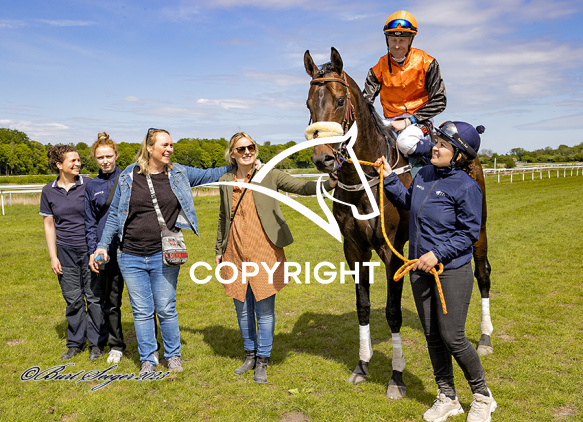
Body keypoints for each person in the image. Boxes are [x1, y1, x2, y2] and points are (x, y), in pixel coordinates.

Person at [375, 122, 496, 422]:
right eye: (436, 142)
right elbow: (410, 203)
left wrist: (437, 254)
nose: (435, 147)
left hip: (450, 271)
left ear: (459, 155)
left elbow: (468, 233)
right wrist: (390, 178)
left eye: (442, 145)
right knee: (432, 336)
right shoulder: (424, 174)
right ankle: (448, 397)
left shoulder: (466, 187)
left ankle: (482, 396)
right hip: (419, 270)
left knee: (453, 337)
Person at [94, 128, 233, 375]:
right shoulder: (128, 175)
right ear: (149, 148)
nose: (170, 149)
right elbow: (115, 213)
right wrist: (103, 245)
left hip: (164, 254)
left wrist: (242, 163)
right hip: (130, 255)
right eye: (165, 145)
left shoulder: (178, 172)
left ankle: (173, 355)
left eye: (171, 145)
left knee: (166, 308)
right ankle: (148, 359)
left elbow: (211, 174)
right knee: (142, 311)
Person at [215, 132, 337, 384]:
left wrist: (329, 183)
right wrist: (219, 249)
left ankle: (262, 360)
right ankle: (249, 356)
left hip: (265, 249)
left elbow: (301, 187)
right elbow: (222, 216)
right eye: (241, 149)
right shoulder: (225, 180)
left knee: (264, 309)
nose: (247, 152)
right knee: (242, 308)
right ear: (232, 154)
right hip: (235, 251)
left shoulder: (268, 174)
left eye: (250, 147)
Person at [40, 144, 106, 360]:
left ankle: (97, 344)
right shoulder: (48, 191)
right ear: (59, 165)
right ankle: (75, 343)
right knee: (73, 299)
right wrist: (53, 256)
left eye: (78, 160)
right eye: (73, 161)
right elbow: (49, 225)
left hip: (89, 250)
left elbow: (98, 218)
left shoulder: (89, 184)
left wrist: (97, 249)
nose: (78, 163)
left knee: (93, 298)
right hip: (65, 251)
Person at [363, 10, 446, 160]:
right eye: (393, 40)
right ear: (387, 40)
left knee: (405, 143)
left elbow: (440, 101)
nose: (396, 46)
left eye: (402, 40)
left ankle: (435, 154)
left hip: (420, 121)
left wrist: (409, 121)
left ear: (410, 40)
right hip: (389, 121)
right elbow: (365, 102)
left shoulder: (428, 63)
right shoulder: (377, 68)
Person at [84, 132, 127, 364]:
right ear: (95, 159)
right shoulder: (92, 186)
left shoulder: (128, 178)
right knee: (111, 301)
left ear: (116, 155)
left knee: (143, 302)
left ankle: (151, 345)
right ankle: (116, 345)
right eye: (100, 157)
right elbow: (90, 222)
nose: (105, 161)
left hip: (131, 248)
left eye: (109, 156)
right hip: (105, 252)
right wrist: (93, 250)